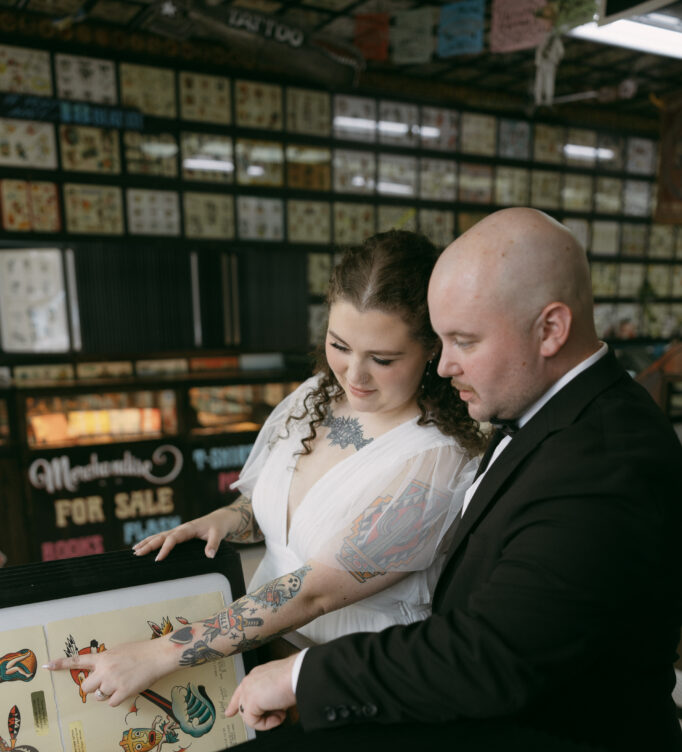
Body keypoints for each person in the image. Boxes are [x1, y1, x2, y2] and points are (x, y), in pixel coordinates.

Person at [228, 207, 682, 752]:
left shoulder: (605, 458)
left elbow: (492, 652)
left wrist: (303, 676)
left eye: (464, 341)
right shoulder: (548, 412)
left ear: (551, 329)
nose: (443, 367)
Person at [44, 230, 483, 704]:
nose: (354, 375)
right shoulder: (319, 394)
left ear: (432, 349)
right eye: (339, 345)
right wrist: (228, 519)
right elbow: (267, 504)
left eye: (382, 359)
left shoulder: (435, 461)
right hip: (259, 649)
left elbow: (312, 593)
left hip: (343, 680)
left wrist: (158, 655)